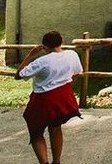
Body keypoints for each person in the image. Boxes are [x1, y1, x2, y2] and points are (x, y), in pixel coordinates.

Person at [16, 30, 82, 164]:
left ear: (44, 46)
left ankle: (44, 162)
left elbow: (19, 75)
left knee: (36, 131)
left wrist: (30, 55)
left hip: (44, 99)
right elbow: (77, 73)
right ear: (61, 41)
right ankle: (56, 161)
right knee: (56, 127)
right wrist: (64, 82)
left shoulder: (42, 61)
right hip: (64, 96)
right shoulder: (72, 54)